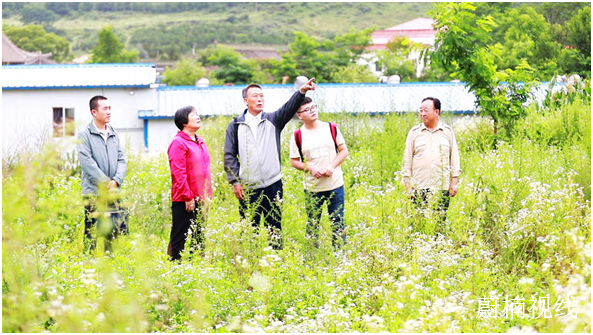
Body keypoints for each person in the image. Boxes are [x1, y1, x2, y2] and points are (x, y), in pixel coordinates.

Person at [224, 78, 317, 249]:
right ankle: (250, 263)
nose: (260, 99)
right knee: (249, 230)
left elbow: (289, 108)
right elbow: (229, 155)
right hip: (249, 188)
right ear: (246, 100)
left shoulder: (273, 120)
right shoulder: (236, 124)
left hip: (273, 184)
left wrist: (302, 91)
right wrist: (235, 181)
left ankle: (276, 262)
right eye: (255, 96)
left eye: (262, 96)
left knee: (274, 227)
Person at [289, 97, 349, 248]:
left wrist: (331, 166)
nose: (312, 111)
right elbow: (294, 161)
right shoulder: (297, 135)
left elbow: (343, 151)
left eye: (313, 107)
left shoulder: (331, 128)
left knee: (338, 222)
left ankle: (340, 255)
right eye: (307, 110)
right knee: (313, 223)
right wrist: (311, 168)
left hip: (335, 185)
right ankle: (312, 256)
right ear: (299, 115)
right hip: (313, 188)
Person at [77, 95, 127, 254]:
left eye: (110, 108)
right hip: (93, 192)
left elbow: (122, 159)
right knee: (91, 232)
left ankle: (109, 267)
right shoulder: (84, 135)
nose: (109, 112)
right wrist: (106, 183)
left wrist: (116, 181)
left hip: (113, 191)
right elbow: (87, 163)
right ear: (94, 112)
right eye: (105, 109)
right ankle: (88, 267)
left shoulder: (113, 133)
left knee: (112, 233)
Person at [403, 97, 461, 223]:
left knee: (439, 221)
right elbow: (407, 159)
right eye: (421, 110)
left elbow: (454, 157)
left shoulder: (447, 132)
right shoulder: (414, 133)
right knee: (419, 222)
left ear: (436, 112)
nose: (422, 114)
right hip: (419, 186)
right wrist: (407, 183)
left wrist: (454, 181)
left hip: (441, 186)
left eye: (426, 110)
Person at [167, 106, 212, 261]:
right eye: (193, 115)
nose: (198, 117)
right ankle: (174, 267)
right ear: (184, 121)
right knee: (181, 234)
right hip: (185, 199)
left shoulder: (199, 141)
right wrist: (188, 196)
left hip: (202, 196)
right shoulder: (178, 143)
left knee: (199, 234)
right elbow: (178, 172)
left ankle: (196, 265)